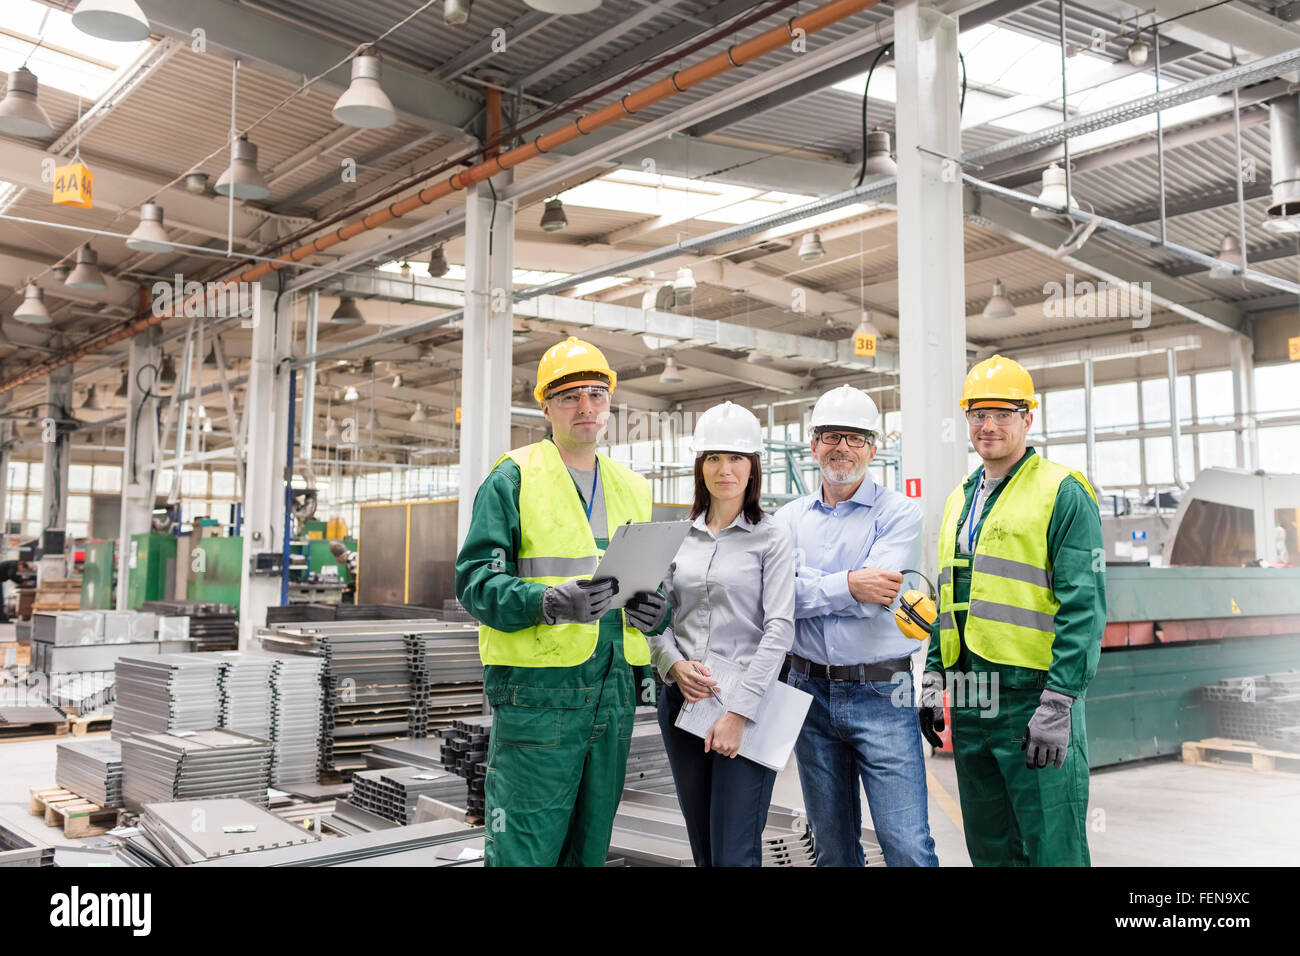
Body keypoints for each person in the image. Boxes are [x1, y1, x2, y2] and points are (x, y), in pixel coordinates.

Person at [455, 336, 667, 867]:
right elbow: (475, 581)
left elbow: (650, 577)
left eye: (597, 394)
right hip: (540, 693)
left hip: (613, 689)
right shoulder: (514, 477)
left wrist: (657, 608)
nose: (586, 407)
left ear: (610, 404)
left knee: (589, 844)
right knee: (524, 846)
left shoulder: (632, 487)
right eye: (570, 396)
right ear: (544, 405)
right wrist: (549, 602)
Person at [920, 354, 1106, 867]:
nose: (989, 425)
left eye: (1003, 413)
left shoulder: (1062, 491)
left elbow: (1083, 606)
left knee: (1052, 847)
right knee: (991, 845)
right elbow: (948, 600)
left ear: (1029, 417)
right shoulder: (959, 500)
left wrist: (1060, 700)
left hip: (1034, 696)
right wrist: (935, 678)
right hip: (973, 695)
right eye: (978, 414)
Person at [775, 385, 938, 867]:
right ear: (812, 444)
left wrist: (811, 585)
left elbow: (877, 598)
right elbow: (778, 600)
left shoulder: (901, 514)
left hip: (882, 694)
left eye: (855, 437)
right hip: (808, 692)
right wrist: (850, 582)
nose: (841, 446)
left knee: (907, 845)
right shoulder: (786, 520)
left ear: (873, 447)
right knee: (833, 851)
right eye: (830, 435)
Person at [649, 402, 794, 867]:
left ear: (753, 468)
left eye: (736, 458)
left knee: (734, 852)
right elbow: (654, 616)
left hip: (745, 707)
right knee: (705, 851)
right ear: (700, 466)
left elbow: (780, 628)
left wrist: (738, 713)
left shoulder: (773, 536)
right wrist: (671, 662)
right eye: (713, 458)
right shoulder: (675, 536)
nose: (724, 469)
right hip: (683, 702)